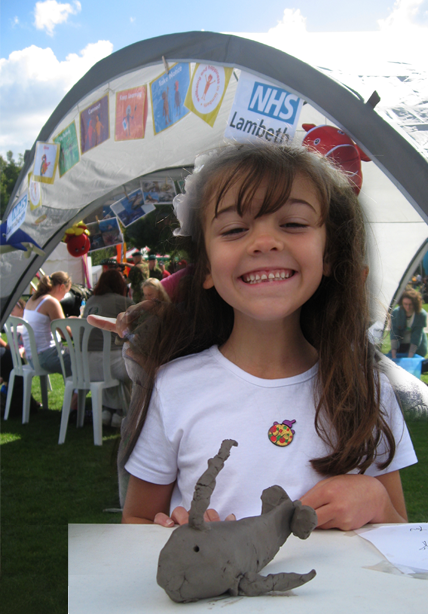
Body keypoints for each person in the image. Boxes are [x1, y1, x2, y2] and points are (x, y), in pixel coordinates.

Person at [89, 143, 417, 529]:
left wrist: (377, 502)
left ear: (328, 255)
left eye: (293, 223)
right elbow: (139, 518)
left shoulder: (367, 389)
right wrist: (168, 531)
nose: (264, 242)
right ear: (206, 267)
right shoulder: (173, 388)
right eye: (234, 229)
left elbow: (402, 541)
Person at [83, 269, 134, 427]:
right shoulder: (121, 301)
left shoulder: (90, 300)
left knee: (111, 366)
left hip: (85, 364)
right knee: (134, 365)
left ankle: (108, 411)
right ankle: (121, 411)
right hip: (110, 362)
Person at [22, 272, 73, 376]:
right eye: (65, 293)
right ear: (61, 287)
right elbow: (66, 334)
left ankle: (72, 389)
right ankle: (75, 392)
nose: (63, 298)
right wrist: (74, 323)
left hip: (32, 357)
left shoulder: (32, 299)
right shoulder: (51, 302)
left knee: (77, 359)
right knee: (86, 361)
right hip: (46, 357)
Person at [390, 289, 428, 361]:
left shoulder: (421, 315)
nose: (407, 307)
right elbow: (394, 333)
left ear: (415, 304)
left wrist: (409, 358)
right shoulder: (396, 313)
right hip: (401, 345)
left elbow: (416, 337)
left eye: (410, 304)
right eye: (405, 304)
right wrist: (393, 355)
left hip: (417, 347)